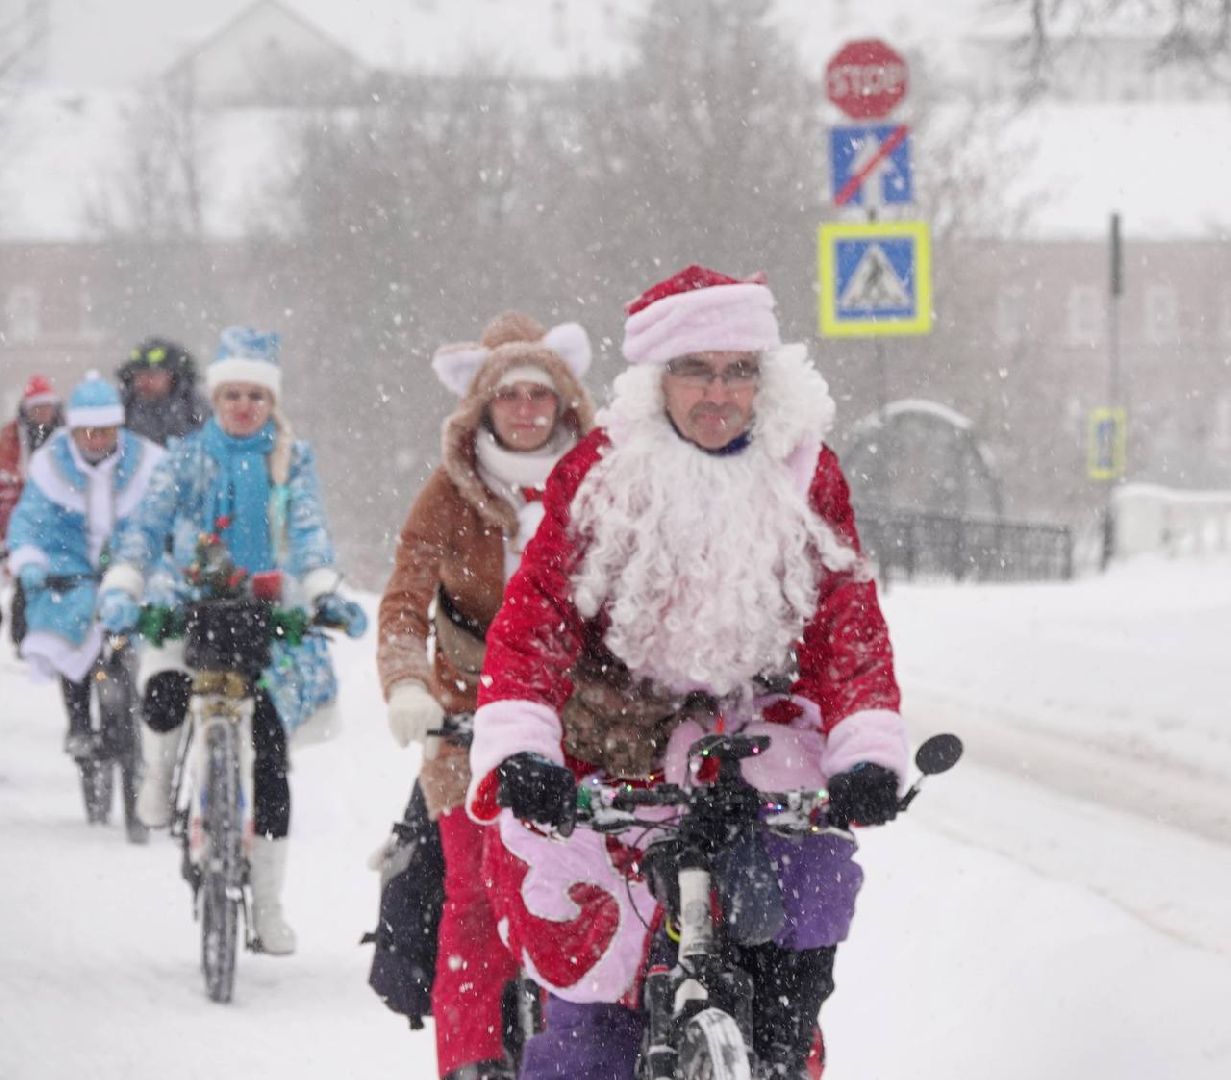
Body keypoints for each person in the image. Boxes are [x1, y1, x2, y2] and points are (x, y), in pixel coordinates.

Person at [466, 267, 909, 1080]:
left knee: (802, 895)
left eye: (738, 369)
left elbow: (844, 619)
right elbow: (537, 616)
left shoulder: (803, 469)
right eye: (694, 370)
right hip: (612, 731)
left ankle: (765, 1057)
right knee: (590, 998)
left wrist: (866, 750)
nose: (718, 393)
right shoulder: (600, 470)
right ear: (655, 380)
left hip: (748, 727)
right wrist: (523, 744)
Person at [96, 326, 367, 953]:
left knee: (269, 747)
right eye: (233, 395)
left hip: (266, 616)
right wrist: (124, 581)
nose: (244, 406)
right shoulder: (185, 458)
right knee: (163, 689)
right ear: (214, 400)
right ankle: (160, 778)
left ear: (272, 402)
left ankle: (268, 903)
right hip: (189, 602)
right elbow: (144, 529)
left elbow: (309, 534)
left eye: (257, 396)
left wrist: (325, 591)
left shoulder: (291, 460)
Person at [377, 312, 595, 1080]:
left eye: (542, 394)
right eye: (511, 396)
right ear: (481, 407)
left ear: (566, 400)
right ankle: (470, 1061)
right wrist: (407, 684)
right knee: (473, 899)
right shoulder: (449, 491)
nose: (528, 410)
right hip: (465, 729)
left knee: (598, 894)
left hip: (585, 727)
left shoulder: (601, 483)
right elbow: (403, 602)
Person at [5, 374, 163, 839]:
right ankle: (78, 721)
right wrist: (31, 562)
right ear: (72, 432)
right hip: (69, 574)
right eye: (87, 432)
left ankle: (143, 756)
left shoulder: (148, 465)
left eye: (105, 431)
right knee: (68, 638)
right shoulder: (51, 466)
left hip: (127, 572)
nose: (96, 440)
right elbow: (30, 522)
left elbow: (161, 518)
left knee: (145, 645)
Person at [1, 374, 64, 644]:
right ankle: (22, 635)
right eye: (37, 407)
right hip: (21, 520)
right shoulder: (10, 439)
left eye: (46, 406)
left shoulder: (65, 436)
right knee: (25, 580)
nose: (42, 413)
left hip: (57, 521)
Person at [115, 337, 207, 446]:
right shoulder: (122, 404)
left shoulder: (193, 408)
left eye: (152, 375)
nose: (144, 381)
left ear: (172, 377)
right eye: (138, 375)